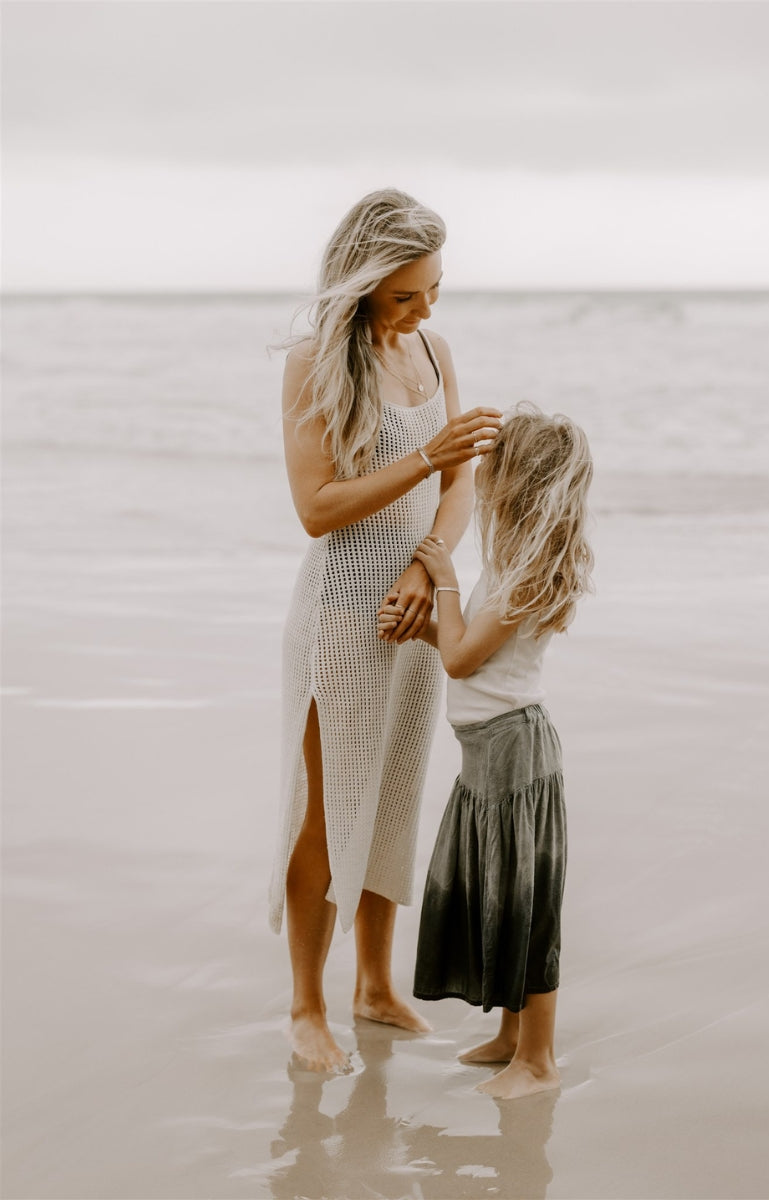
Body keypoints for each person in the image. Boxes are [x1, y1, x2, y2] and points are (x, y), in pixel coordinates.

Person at [269, 188, 502, 1072]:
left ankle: (374, 985)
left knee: (397, 798)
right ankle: (304, 1005)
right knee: (328, 817)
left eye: (433, 289)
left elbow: (460, 486)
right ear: (363, 285)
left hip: (415, 608)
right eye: (405, 296)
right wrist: (427, 457)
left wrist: (427, 565)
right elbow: (316, 510)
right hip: (337, 611)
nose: (423, 310)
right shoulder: (316, 364)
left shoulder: (435, 350)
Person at [379, 404, 594, 1099]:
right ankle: (510, 1037)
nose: (484, 487)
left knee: (526, 908)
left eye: (492, 474)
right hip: (490, 756)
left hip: (513, 758)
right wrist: (424, 631)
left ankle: (539, 1061)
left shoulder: (524, 576)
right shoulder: (512, 566)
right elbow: (469, 648)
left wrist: (440, 576)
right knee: (502, 898)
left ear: (519, 485)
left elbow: (464, 660)